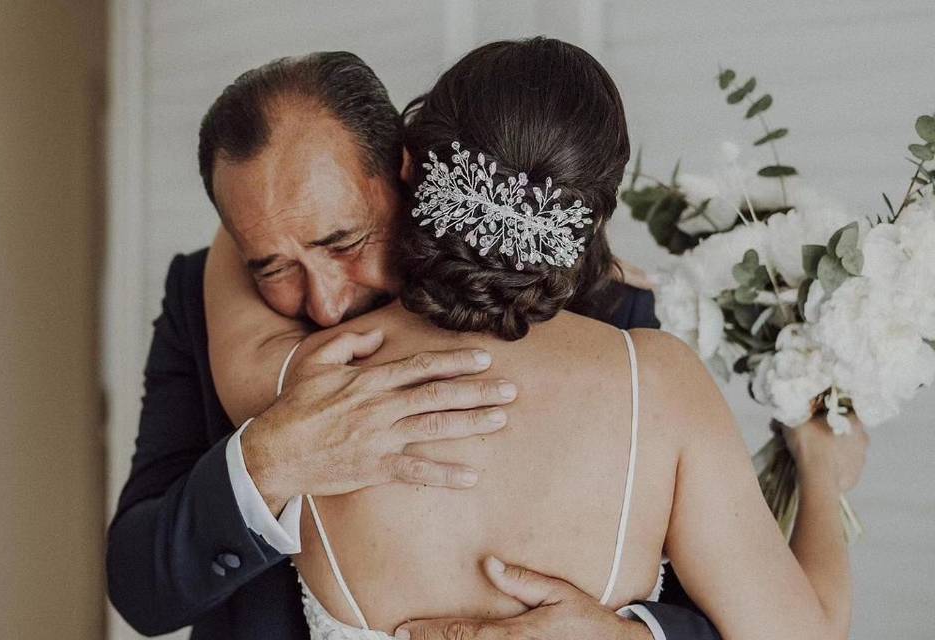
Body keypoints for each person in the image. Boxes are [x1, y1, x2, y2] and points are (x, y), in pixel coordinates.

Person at [204, 39, 867, 640]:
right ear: (593, 211)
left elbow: (247, 242)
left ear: (412, 172)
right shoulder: (659, 385)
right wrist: (822, 472)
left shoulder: (310, 386)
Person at [106, 50, 722, 639]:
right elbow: (139, 586)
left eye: (344, 242)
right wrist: (269, 465)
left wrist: (632, 639)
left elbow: (728, 602)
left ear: (407, 173)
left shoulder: (609, 313)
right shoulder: (200, 296)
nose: (325, 302)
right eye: (271, 267)